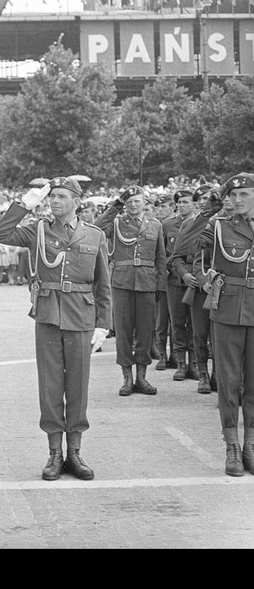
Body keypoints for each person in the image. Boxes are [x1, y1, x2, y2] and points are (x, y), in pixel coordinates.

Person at [0, 177, 111, 481]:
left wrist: (104, 325)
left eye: (60, 196)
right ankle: (55, 453)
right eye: (51, 196)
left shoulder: (95, 235)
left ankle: (75, 452)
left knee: (78, 387)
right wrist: (26, 203)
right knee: (50, 387)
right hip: (47, 315)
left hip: (82, 316)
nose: (54, 201)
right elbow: (0, 232)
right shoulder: (39, 230)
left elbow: (103, 284)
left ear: (77, 202)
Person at [171, 174, 254, 476]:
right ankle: (232, 446)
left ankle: (250, 445)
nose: (238, 200)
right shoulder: (218, 226)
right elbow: (183, 246)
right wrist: (208, 210)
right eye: (234, 196)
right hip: (228, 310)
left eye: (245, 194)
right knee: (230, 383)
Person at [95, 186, 167, 396]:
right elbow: (97, 228)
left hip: (147, 283)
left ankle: (142, 376)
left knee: (146, 331)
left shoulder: (155, 225)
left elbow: (160, 259)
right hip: (122, 283)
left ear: (145, 203)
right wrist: (115, 206)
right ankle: (127, 377)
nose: (133, 205)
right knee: (124, 332)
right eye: (129, 202)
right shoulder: (116, 223)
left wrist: (160, 284)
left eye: (137, 201)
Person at [171, 185, 218, 394]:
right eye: (201, 199)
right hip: (198, 284)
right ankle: (203, 375)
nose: (204, 202)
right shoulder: (190, 225)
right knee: (200, 333)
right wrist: (186, 275)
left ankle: (217, 374)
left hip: (220, 284)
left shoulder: (223, 223)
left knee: (218, 335)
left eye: (209, 198)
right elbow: (177, 256)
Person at [152, 194, 176, 366]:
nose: (159, 210)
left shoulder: (175, 224)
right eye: (158, 207)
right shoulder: (157, 225)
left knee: (176, 319)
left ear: (172, 207)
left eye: (163, 207)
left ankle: (175, 354)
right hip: (162, 275)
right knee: (161, 318)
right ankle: (162, 353)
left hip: (175, 274)